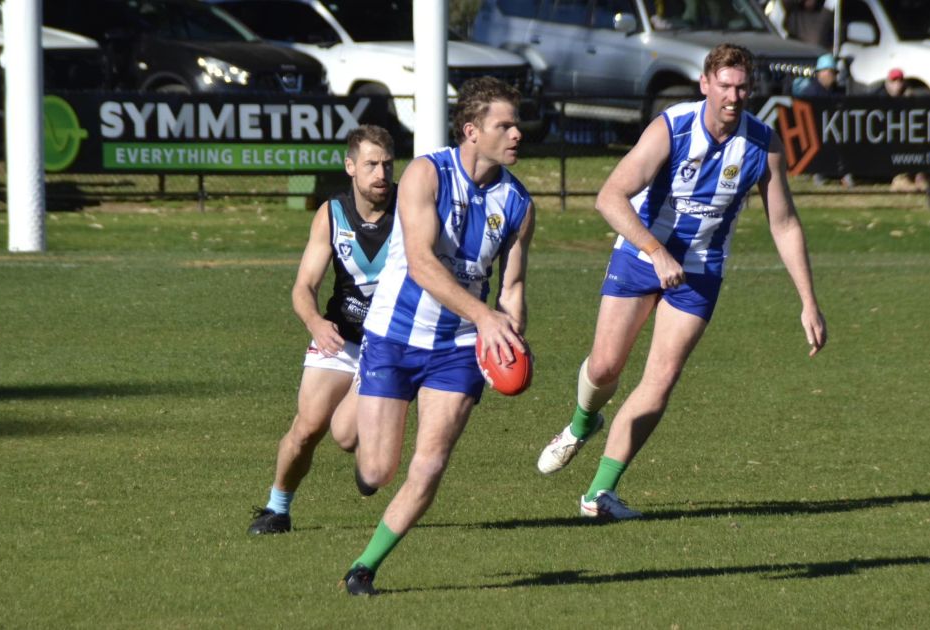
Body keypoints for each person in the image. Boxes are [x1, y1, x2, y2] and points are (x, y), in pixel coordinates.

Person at [536, 43, 827, 521]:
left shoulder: (763, 144)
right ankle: (579, 424)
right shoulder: (672, 127)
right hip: (640, 254)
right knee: (606, 366)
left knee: (662, 378)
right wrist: (655, 251)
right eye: (725, 86)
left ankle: (599, 495)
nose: (734, 96)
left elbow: (785, 224)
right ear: (705, 84)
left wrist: (808, 302)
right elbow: (610, 197)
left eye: (742, 87)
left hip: (702, 269)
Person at [341, 76, 535, 595]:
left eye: (517, 124)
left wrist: (509, 331)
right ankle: (351, 417)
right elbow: (424, 265)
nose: (517, 133)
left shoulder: (518, 204)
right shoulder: (426, 174)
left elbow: (512, 287)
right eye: (505, 125)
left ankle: (364, 567)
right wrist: (485, 314)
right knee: (378, 471)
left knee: (428, 465)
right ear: (472, 130)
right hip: (394, 335)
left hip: (458, 350)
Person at [246, 124, 396, 535]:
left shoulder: (410, 211)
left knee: (346, 437)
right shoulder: (331, 214)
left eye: (386, 164)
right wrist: (315, 321)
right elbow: (303, 286)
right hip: (340, 335)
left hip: (389, 342)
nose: (381, 174)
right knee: (308, 426)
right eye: (370, 165)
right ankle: (277, 509)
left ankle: (373, 454)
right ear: (350, 167)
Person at [795, 54, 855, 187]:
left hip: (836, 130)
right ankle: (819, 172)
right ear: (820, 73)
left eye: (834, 72)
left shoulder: (839, 92)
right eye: (829, 72)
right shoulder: (810, 92)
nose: (832, 75)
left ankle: (845, 174)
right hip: (815, 131)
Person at [873, 68, 930, 192]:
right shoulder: (879, 97)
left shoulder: (909, 96)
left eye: (900, 81)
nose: (897, 85)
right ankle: (901, 179)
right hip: (882, 141)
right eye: (894, 81)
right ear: (887, 82)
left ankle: (920, 177)